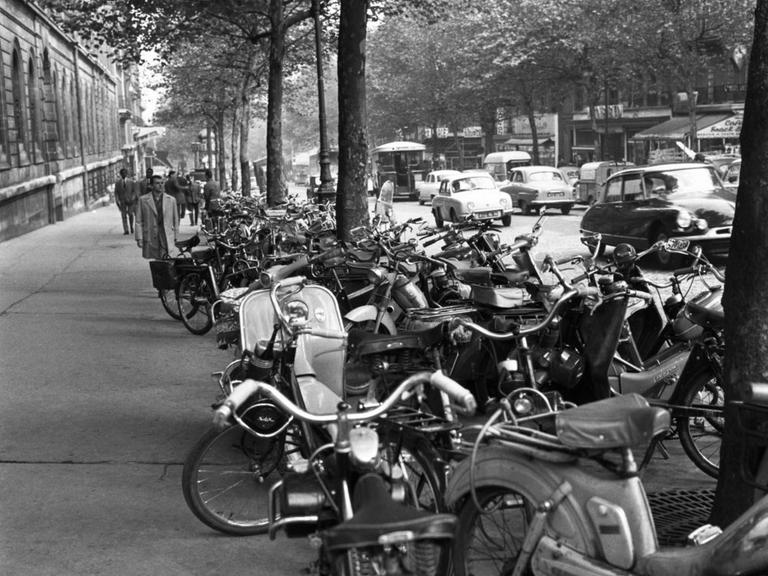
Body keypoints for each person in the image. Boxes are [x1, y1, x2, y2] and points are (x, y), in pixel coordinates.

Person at [135, 174, 179, 259]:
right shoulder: (143, 200)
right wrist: (139, 238)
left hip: (166, 234)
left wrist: (176, 235)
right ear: (151, 185)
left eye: (162, 183)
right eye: (157, 183)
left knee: (167, 258)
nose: (160, 185)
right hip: (151, 235)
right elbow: (138, 221)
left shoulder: (171, 200)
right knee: (156, 259)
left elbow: (175, 220)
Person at [114, 167, 138, 235]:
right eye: (122, 173)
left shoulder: (131, 182)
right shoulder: (118, 183)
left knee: (130, 214)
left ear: (127, 174)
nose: (124, 174)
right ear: (121, 174)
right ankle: (126, 230)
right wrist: (117, 200)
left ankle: (131, 227)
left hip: (130, 201)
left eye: (125, 173)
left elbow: (134, 191)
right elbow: (116, 193)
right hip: (122, 202)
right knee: (123, 216)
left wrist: (132, 198)